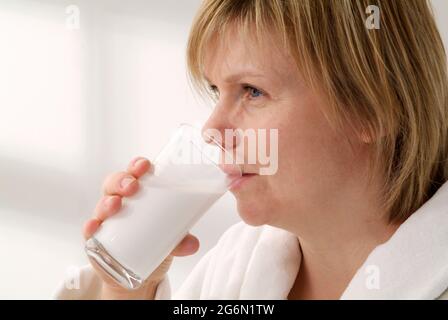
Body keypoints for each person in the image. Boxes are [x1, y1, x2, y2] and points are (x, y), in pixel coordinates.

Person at [55, 0, 448, 299]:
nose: (211, 129)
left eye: (253, 91)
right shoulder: (234, 269)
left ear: (372, 107)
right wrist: (128, 288)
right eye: (216, 91)